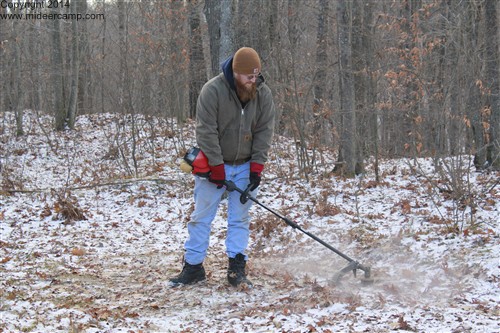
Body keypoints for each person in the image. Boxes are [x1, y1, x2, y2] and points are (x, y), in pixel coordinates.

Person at [170, 47, 275, 287]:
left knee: (240, 219)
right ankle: (193, 267)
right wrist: (216, 167)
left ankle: (236, 268)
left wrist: (256, 168)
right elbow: (206, 131)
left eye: (256, 75)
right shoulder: (212, 91)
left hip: (245, 166)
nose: (253, 80)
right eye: (249, 76)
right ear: (236, 73)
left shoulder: (263, 93)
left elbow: (264, 131)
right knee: (201, 217)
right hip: (214, 166)